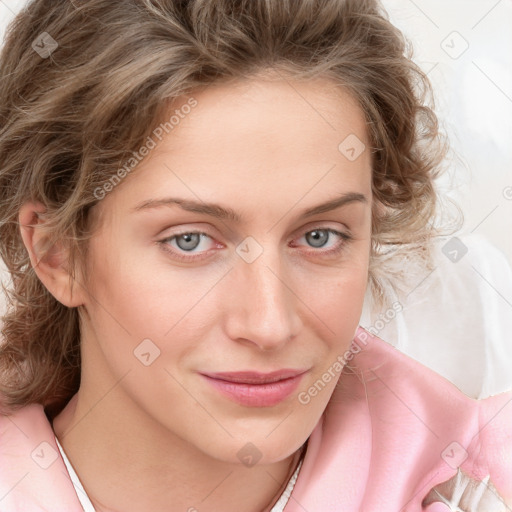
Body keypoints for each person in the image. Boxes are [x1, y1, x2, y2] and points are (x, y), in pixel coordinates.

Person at [0, 0, 510, 510]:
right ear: (58, 254)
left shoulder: (478, 490)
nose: (269, 325)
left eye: (319, 237)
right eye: (190, 241)